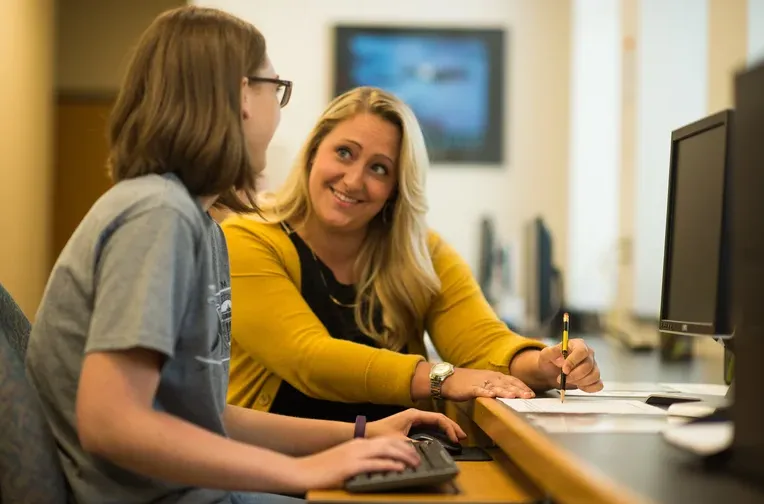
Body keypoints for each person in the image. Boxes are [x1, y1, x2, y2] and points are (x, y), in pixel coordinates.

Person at [24, 8, 465, 504]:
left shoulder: (200, 224)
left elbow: (213, 418)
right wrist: (303, 473)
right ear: (240, 97)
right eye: (274, 88)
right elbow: (112, 423)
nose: (279, 111)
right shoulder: (156, 215)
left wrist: (362, 435)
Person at [222, 86, 604, 423]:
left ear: (396, 187)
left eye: (378, 168)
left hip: (396, 459)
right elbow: (308, 358)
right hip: (281, 471)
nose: (354, 180)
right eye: (343, 153)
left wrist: (542, 365)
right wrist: (442, 377)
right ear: (312, 153)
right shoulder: (247, 238)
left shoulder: (422, 252)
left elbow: (482, 342)